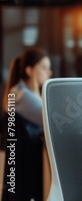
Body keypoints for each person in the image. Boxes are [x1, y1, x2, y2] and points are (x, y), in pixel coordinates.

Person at [2, 47, 52, 201]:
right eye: (44, 68)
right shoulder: (21, 95)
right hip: (24, 172)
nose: (49, 73)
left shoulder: (20, 93)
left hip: (23, 170)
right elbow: (51, 120)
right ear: (29, 70)